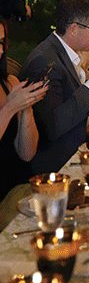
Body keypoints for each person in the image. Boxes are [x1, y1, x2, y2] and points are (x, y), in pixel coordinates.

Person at [21, 0, 89, 174]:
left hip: (83, 148)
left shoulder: (65, 51)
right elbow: (53, 127)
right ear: (74, 29)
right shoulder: (44, 61)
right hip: (59, 166)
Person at [0, 18, 48, 201]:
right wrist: (10, 107)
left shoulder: (10, 82)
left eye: (2, 42)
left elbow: (27, 154)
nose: (1, 50)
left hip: (18, 187)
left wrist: (26, 108)